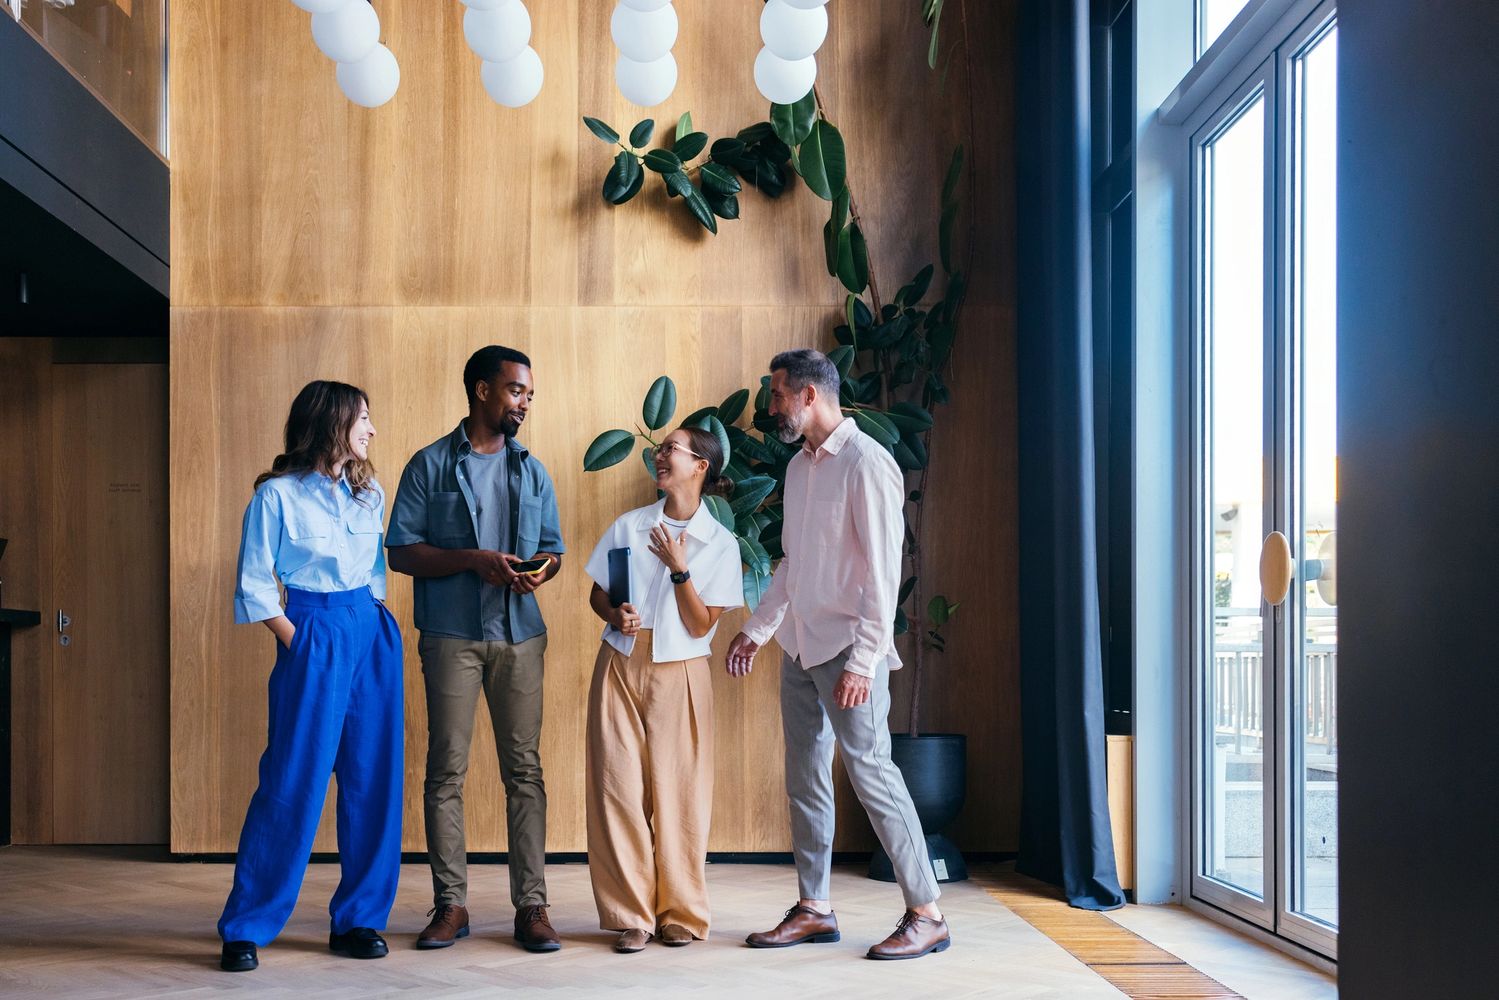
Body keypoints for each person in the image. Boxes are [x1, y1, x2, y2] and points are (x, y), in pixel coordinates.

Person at [727, 349, 952, 960]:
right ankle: (815, 907)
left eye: (777, 395)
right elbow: (795, 564)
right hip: (800, 645)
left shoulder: (868, 463)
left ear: (808, 396)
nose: (770, 406)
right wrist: (758, 629)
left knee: (873, 773)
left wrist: (863, 661)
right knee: (805, 779)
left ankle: (927, 912)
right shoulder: (799, 468)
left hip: (851, 647)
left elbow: (884, 572)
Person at [218, 380, 404, 973]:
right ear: (332, 423)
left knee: (373, 779)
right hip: (313, 631)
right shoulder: (274, 497)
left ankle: (360, 919)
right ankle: (247, 924)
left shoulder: (367, 492)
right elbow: (254, 584)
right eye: (363, 419)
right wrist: (301, 645)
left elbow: (375, 571)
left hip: (369, 630)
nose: (372, 430)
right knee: (291, 781)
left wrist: (374, 630)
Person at [386, 345, 566, 953]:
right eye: (517, 391)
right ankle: (450, 904)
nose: (524, 404)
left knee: (525, 772)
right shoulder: (429, 465)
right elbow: (401, 552)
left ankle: (532, 908)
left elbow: (554, 549)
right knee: (446, 772)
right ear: (483, 390)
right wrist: (473, 561)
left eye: (530, 395)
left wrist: (540, 572)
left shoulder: (531, 469)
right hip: (452, 638)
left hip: (521, 636)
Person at [583, 425, 744, 953]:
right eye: (661, 448)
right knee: (618, 791)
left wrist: (680, 571)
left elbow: (701, 626)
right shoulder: (629, 526)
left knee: (681, 794)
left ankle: (680, 913)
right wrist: (617, 613)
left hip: (681, 671)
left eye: (671, 448)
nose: (660, 455)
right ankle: (631, 915)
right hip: (620, 663)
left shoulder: (719, 544)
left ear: (700, 465)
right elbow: (598, 597)